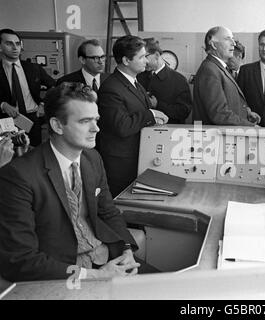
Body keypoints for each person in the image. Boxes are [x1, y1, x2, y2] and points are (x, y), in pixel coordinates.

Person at [0, 82, 159, 282]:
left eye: (96, 119)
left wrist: (126, 250)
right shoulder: (17, 176)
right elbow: (20, 261)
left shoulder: (93, 158)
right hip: (63, 273)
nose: (97, 128)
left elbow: (108, 212)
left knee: (175, 291)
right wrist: (94, 275)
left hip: (106, 258)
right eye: (85, 121)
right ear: (57, 125)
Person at [97, 35, 168, 197]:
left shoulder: (134, 82)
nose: (147, 61)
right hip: (121, 164)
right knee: (123, 209)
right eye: (142, 57)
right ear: (126, 60)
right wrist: (151, 114)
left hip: (137, 157)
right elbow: (121, 126)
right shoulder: (111, 87)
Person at [192, 26, 260, 126]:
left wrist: (245, 113)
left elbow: (228, 101)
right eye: (228, 39)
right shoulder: (209, 70)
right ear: (214, 45)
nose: (233, 43)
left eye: (232, 39)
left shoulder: (219, 68)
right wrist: (251, 127)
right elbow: (219, 114)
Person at [0, 28, 56, 146]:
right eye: (9, 44)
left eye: (17, 44)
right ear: (0, 47)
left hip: (32, 117)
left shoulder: (34, 68)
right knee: (10, 153)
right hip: (7, 120)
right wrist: (3, 105)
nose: (15, 48)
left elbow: (54, 86)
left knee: (33, 152)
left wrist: (44, 104)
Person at [137, 38, 192, 124]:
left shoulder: (179, 80)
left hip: (169, 132)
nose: (143, 61)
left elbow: (184, 112)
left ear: (156, 55)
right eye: (140, 57)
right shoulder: (138, 77)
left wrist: (158, 105)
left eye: (145, 56)